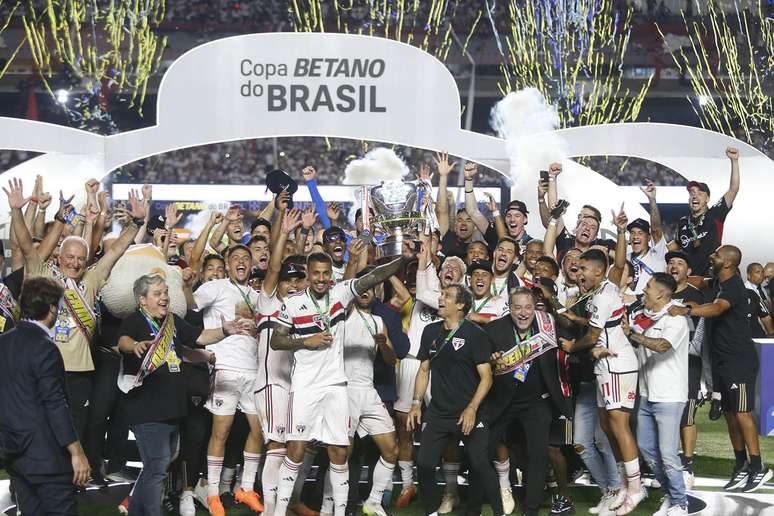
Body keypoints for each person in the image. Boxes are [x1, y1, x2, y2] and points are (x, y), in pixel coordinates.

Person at [5, 179, 148, 443]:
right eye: (69, 257)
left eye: (81, 258)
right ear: (59, 256)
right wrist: (15, 210)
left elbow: (116, 250)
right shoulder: (43, 273)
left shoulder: (92, 280)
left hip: (80, 372)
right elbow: (25, 244)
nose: (75, 262)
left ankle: (73, 483)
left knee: (75, 431)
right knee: (42, 431)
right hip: (44, 368)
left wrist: (136, 223)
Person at [270, 253, 405, 516]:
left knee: (339, 452)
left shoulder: (341, 293)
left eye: (325, 273)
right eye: (316, 273)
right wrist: (304, 342)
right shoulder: (293, 303)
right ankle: (280, 511)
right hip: (305, 385)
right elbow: (277, 340)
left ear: (331, 274)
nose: (321, 279)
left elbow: (375, 276)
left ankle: (340, 512)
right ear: (308, 274)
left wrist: (402, 258)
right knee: (296, 449)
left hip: (335, 385)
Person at [117, 274, 250, 515]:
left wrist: (225, 330)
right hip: (147, 411)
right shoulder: (135, 320)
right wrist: (134, 345)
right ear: (142, 300)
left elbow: (200, 337)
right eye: (157, 294)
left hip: (172, 408)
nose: (165, 298)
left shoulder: (172, 321)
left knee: (157, 467)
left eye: (165, 292)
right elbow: (124, 340)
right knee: (156, 468)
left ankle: (137, 510)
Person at [668, 245, 773, 492]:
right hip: (721, 362)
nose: (711, 256)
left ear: (727, 262)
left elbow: (717, 309)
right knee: (729, 414)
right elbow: (698, 281)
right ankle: (741, 465)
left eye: (715, 255)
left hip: (739, 361)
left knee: (742, 413)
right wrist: (676, 276)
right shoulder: (716, 282)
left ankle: (758, 466)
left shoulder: (734, 287)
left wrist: (688, 309)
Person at [406, 284, 503, 516]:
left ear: (460, 305)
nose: (440, 299)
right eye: (441, 294)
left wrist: (471, 408)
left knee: (480, 463)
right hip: (439, 412)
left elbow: (486, 378)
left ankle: (496, 512)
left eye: (447, 296)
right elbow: (423, 370)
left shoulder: (476, 334)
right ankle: (431, 510)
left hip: (470, 411)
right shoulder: (430, 331)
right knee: (425, 463)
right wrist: (416, 403)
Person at [561, 249, 644, 514]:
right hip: (604, 366)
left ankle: (635, 488)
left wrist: (572, 347)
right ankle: (621, 485)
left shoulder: (604, 294)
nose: (578, 271)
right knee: (608, 427)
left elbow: (593, 336)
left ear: (598, 270)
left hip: (618, 364)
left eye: (583, 268)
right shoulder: (600, 292)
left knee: (620, 426)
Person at [0, 277, 89, 515]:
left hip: (15, 455)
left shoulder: (3, 342)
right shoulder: (45, 347)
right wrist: (77, 452)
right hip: (49, 459)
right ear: (51, 308)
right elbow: (55, 404)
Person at [483, 287, 573, 516]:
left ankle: (531, 509)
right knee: (480, 450)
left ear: (535, 308)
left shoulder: (548, 325)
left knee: (538, 454)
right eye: (518, 307)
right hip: (502, 402)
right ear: (509, 308)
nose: (523, 313)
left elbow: (574, 335)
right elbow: (480, 364)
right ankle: (481, 503)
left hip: (537, 401)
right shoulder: (493, 329)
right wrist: (492, 361)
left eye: (528, 307)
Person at [192, 244, 266, 516]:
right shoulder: (217, 287)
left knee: (258, 431)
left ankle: (245, 488)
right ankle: (212, 493)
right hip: (224, 368)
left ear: (252, 264)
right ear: (228, 263)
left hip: (253, 372)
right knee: (220, 432)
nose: (241, 262)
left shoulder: (258, 297)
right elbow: (190, 306)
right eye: (235, 258)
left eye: (246, 258)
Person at [625, 273, 690, 515]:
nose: (644, 290)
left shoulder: (676, 320)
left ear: (662, 293)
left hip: (669, 396)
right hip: (646, 394)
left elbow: (662, 346)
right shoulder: (643, 318)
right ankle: (672, 494)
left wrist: (632, 335)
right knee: (647, 450)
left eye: (649, 287)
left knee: (668, 454)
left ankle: (680, 503)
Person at [665, 250, 706, 489]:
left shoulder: (696, 296)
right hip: (661, 364)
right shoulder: (660, 292)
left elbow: (701, 334)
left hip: (687, 363)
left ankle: (688, 463)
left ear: (688, 271)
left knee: (686, 415)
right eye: (670, 262)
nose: (674, 266)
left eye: (679, 263)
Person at [671, 147, 740, 276]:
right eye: (692, 193)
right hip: (688, 278)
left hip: (710, 278)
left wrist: (734, 161)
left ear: (707, 198)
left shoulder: (715, 214)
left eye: (700, 193)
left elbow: (733, 189)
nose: (695, 196)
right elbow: (676, 244)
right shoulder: (683, 222)